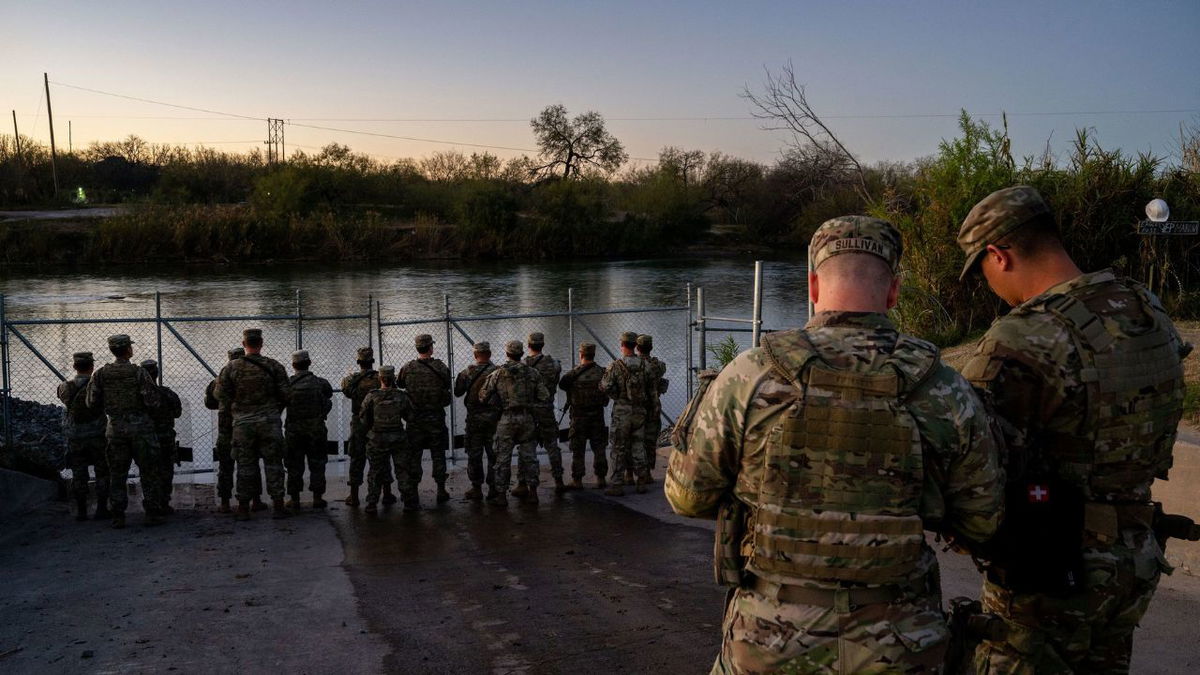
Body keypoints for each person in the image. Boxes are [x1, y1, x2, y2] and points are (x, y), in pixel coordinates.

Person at [666, 216, 1004, 673]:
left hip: (769, 639)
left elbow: (687, 496)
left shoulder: (749, 375)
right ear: (893, 292)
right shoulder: (944, 388)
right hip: (901, 642)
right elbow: (982, 521)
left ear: (812, 285)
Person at [957, 186, 1192, 674]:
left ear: (998, 256)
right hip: (1134, 560)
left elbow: (973, 464)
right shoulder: (1145, 307)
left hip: (1050, 570)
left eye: (982, 270)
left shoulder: (1022, 336)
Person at [85, 334, 165, 529]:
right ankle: (152, 513)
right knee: (148, 471)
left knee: (117, 473)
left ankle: (118, 515)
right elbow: (153, 402)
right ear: (129, 350)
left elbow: (91, 402)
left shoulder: (101, 374)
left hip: (116, 429)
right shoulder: (139, 373)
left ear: (112, 350)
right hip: (141, 430)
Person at [216, 328, 290, 520]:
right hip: (270, 423)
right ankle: (279, 505)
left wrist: (238, 409)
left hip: (243, 425)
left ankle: (243, 508)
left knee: (245, 466)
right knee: (274, 464)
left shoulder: (231, 368)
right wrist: (273, 410)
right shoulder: (274, 366)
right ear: (261, 343)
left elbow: (221, 397)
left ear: (244, 344)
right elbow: (286, 395)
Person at [479, 340, 549, 507]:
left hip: (507, 418)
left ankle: (502, 495)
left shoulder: (497, 373)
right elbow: (544, 395)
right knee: (529, 456)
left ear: (507, 354)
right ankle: (533, 493)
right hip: (527, 418)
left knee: (503, 458)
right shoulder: (532, 373)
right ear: (521, 353)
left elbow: (483, 397)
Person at [206, 347, 266, 514]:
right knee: (250, 465)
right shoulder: (253, 378)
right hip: (247, 429)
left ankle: (225, 503)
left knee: (225, 467)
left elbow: (209, 403)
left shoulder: (218, 381)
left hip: (226, 430)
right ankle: (255, 500)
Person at [398, 334, 453, 506]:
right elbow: (447, 387)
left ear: (417, 348)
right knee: (438, 454)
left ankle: (413, 491)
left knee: (414, 456)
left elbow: (399, 384)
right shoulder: (441, 367)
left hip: (415, 420)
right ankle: (441, 489)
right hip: (436, 418)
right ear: (430, 348)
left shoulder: (408, 367)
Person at [56, 351, 110, 521]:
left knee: (79, 473)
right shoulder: (99, 388)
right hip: (98, 436)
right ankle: (101, 509)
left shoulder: (65, 387)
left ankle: (81, 511)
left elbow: (62, 397)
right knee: (102, 471)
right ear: (92, 367)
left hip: (76, 437)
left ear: (74, 366)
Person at [600, 331, 652, 496]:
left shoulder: (615, 366)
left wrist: (615, 395)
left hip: (622, 411)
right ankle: (642, 480)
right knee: (638, 445)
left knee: (618, 447)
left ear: (622, 345)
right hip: (639, 410)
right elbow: (652, 387)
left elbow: (606, 386)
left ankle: (617, 484)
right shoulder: (646, 365)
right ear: (635, 345)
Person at [360, 365, 413, 513]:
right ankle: (408, 501)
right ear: (393, 378)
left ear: (380, 378)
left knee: (375, 471)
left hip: (377, 438)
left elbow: (364, 419)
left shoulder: (372, 396)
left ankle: (372, 502)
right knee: (402, 469)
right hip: (398, 438)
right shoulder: (401, 396)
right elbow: (410, 417)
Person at [285, 349, 334, 510]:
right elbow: (328, 395)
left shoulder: (288, 385)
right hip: (316, 429)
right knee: (318, 463)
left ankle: (295, 499)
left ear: (293, 365)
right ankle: (317, 498)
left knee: (294, 464)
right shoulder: (320, 383)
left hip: (294, 431)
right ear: (309, 363)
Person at [341, 347, 388, 507]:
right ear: (373, 361)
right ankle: (387, 493)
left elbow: (345, 388)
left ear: (358, 362)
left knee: (356, 457)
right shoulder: (380, 378)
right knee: (382, 456)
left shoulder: (352, 380)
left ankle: (354, 496)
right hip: (378, 421)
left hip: (359, 422)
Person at [558, 342, 609, 490]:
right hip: (597, 416)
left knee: (578, 449)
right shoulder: (602, 372)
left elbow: (562, 385)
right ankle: (601, 478)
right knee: (599, 447)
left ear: (581, 354)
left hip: (578, 418)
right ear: (593, 354)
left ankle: (578, 480)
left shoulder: (572, 375)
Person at [454, 342, 501, 501]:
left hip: (474, 420)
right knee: (494, 453)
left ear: (475, 355)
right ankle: (494, 488)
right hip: (494, 420)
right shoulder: (499, 372)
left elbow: (458, 392)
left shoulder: (467, 372)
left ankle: (476, 488)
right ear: (490, 354)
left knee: (474, 453)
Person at [522, 332, 565, 494]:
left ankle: (524, 483)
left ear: (528, 345)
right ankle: (559, 479)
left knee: (527, 448)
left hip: (530, 412)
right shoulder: (554, 364)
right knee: (552, 446)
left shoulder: (524, 365)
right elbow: (556, 379)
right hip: (547, 409)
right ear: (543, 345)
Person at [140, 359, 182, 514]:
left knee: (148, 472)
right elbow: (177, 413)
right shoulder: (167, 394)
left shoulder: (137, 397)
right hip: (165, 438)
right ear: (156, 374)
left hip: (145, 439)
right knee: (166, 470)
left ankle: (151, 505)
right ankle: (164, 503)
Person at [636, 334, 668, 480]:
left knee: (635, 440)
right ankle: (647, 472)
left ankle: (632, 473)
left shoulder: (633, 365)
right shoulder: (658, 366)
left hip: (636, 407)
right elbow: (662, 369)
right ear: (651, 347)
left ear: (637, 347)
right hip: (653, 406)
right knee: (650, 440)